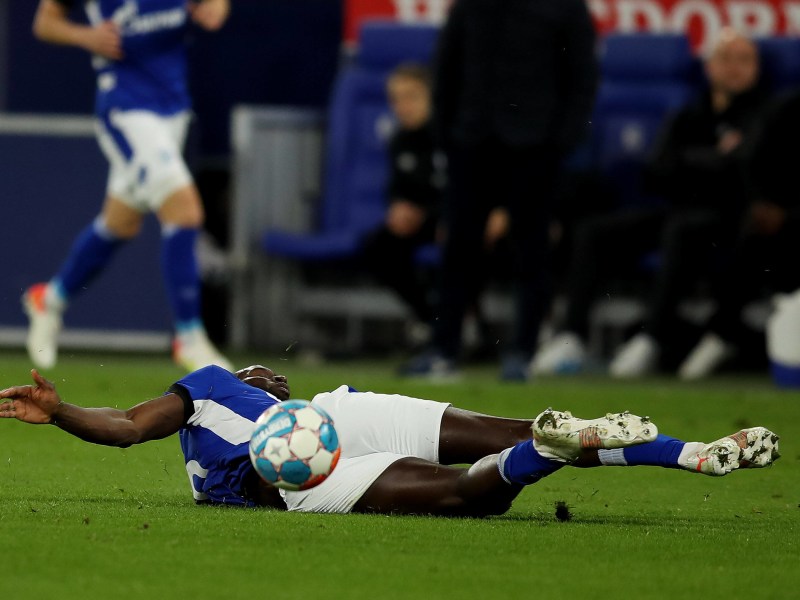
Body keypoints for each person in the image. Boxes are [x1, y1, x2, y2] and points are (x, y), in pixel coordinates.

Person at [0, 365, 780, 515]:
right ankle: (694, 454)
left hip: (292, 472)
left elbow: (127, 428)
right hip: (334, 415)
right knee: (505, 432)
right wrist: (64, 412)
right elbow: (126, 427)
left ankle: (547, 452)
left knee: (466, 494)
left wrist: (61, 413)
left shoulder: (202, 391)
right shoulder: (218, 383)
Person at [533, 28, 769, 378]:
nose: (734, 68)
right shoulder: (689, 111)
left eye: (744, 60)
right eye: (726, 58)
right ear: (709, 67)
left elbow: (743, 171)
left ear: (757, 68)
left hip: (731, 219)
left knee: (681, 231)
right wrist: (713, 160)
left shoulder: (766, 115)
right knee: (594, 232)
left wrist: (692, 162)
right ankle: (571, 336)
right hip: (677, 209)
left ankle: (650, 339)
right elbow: (658, 169)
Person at [23, 0, 232, 372]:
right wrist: (85, 36)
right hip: (127, 108)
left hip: (173, 108)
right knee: (184, 212)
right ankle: (189, 338)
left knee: (121, 223)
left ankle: (48, 299)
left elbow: (215, 6)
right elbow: (45, 21)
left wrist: (216, 6)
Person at [403, 0, 598, 381]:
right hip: (471, 142)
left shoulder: (566, 7)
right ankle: (443, 350)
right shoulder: (469, 6)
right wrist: (446, 135)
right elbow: (447, 68)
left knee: (531, 252)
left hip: (535, 147)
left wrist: (559, 143)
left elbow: (582, 77)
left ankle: (522, 352)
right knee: (457, 249)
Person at [360, 63, 508, 349]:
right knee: (378, 245)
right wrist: (399, 208)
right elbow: (397, 188)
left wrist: (450, 217)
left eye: (411, 96)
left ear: (432, 96)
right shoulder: (400, 139)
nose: (403, 106)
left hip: (463, 216)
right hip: (425, 219)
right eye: (396, 99)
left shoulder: (456, 134)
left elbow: (476, 185)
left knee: (463, 241)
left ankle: (472, 328)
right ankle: (431, 318)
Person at [678, 88, 800, 379]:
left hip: (793, 218)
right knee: (750, 236)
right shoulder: (788, 108)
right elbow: (752, 159)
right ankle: (720, 335)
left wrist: (790, 216)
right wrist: (761, 204)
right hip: (780, 220)